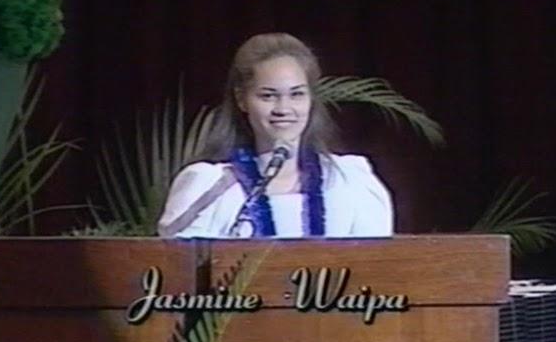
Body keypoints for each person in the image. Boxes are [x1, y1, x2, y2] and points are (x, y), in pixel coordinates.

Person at [157, 33, 394, 239]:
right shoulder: (210, 186)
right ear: (242, 99)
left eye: (297, 94)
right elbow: (179, 272)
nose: (283, 108)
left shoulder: (349, 181)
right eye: (268, 96)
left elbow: (374, 271)